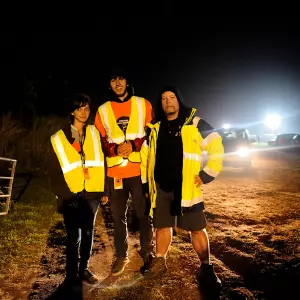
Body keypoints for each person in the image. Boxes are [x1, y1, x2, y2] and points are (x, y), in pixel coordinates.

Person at [143, 86, 224, 290]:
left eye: (172, 97)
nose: (168, 101)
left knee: (197, 229)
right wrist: (146, 183)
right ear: (160, 104)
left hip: (187, 187)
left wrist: (208, 174)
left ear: (179, 100)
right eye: (164, 99)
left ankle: (206, 268)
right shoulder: (154, 126)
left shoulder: (194, 122)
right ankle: (160, 263)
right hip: (161, 188)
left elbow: (215, 143)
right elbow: (146, 157)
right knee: (162, 226)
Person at [94, 68, 154, 276]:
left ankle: (148, 252)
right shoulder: (102, 110)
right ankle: (122, 255)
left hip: (139, 171)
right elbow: (100, 140)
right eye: (113, 79)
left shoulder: (143, 104)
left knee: (144, 214)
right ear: (109, 84)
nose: (117, 83)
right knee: (118, 217)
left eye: (121, 78)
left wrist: (134, 145)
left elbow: (151, 133)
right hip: (115, 173)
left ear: (127, 81)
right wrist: (114, 149)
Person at [48, 93, 108, 288]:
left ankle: (84, 269)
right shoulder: (58, 138)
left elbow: (102, 161)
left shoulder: (94, 132)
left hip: (92, 193)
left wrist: (104, 189)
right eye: (80, 108)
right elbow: (54, 173)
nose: (84, 112)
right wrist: (67, 196)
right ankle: (71, 274)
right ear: (72, 111)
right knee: (74, 237)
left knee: (89, 234)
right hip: (71, 195)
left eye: (87, 108)